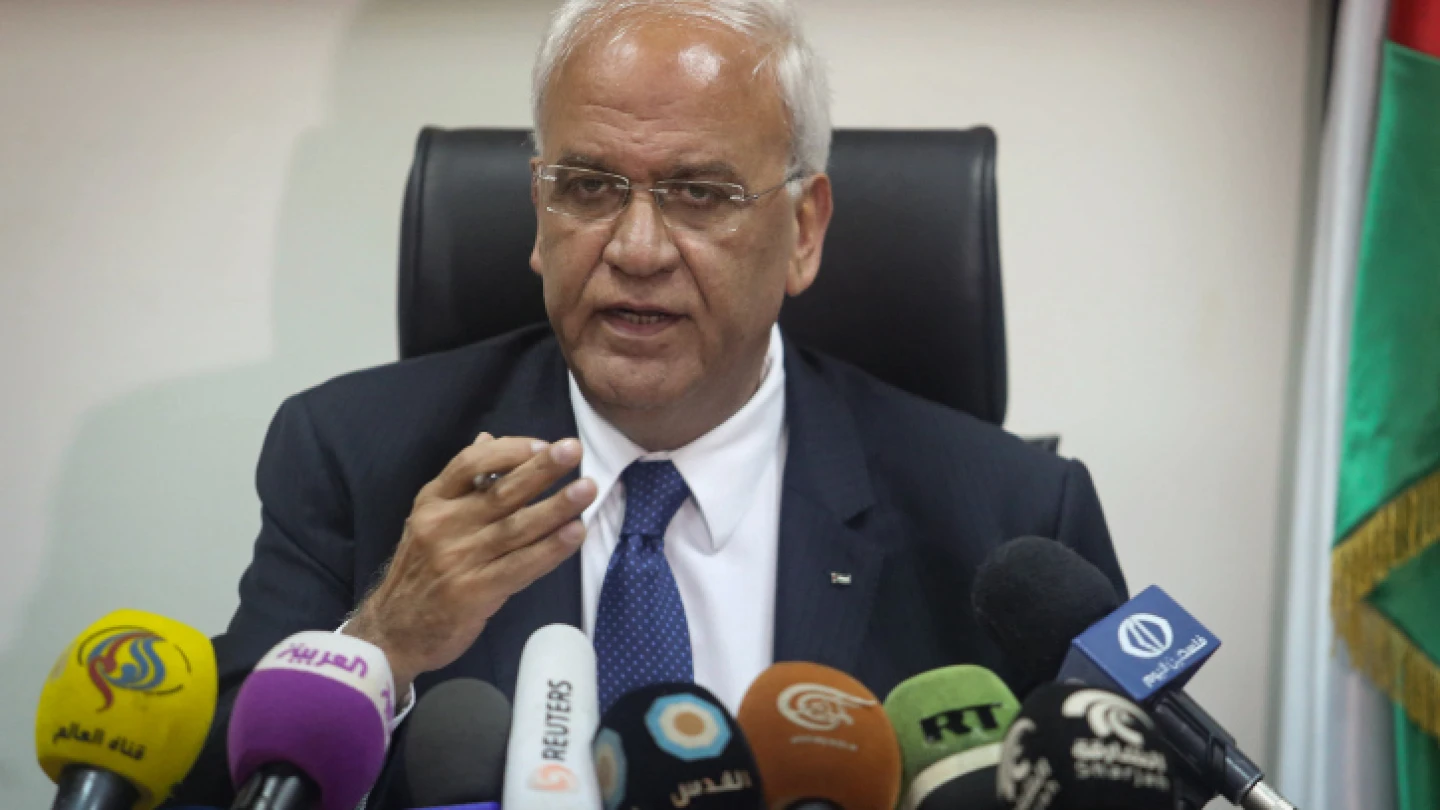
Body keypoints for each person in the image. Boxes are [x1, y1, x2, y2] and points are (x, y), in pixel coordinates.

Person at [172, 0, 1126, 806]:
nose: (636, 248)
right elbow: (213, 780)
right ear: (540, 218)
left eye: (700, 194)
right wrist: (384, 643)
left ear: (803, 230)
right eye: (588, 187)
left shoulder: (1010, 518)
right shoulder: (354, 457)